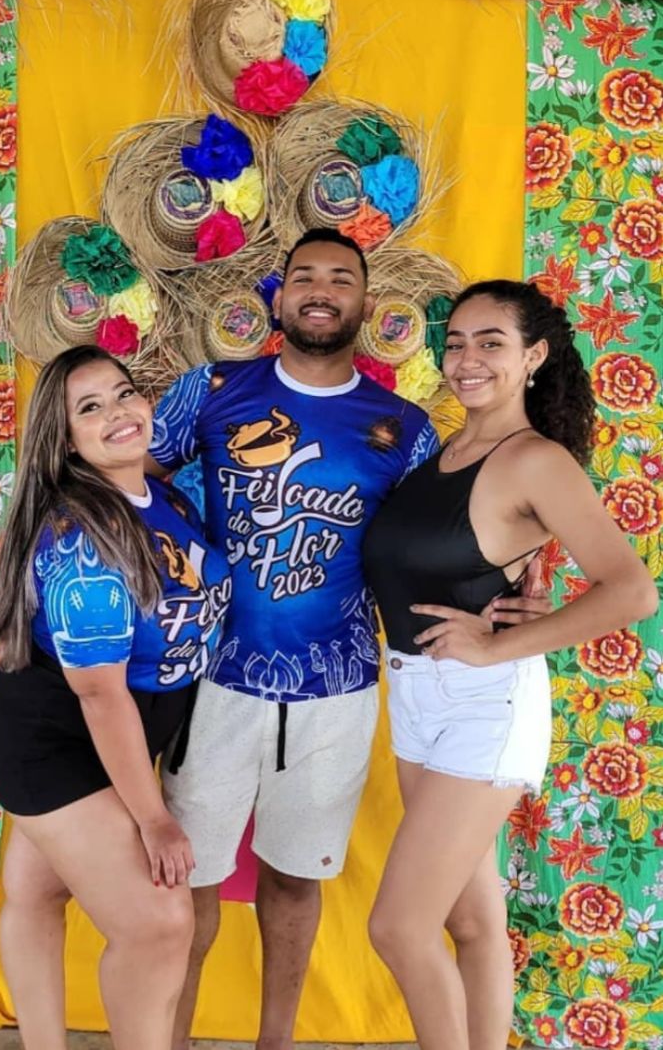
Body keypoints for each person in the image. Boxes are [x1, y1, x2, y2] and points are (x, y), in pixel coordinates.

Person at [146, 230, 544, 1050]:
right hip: (214, 680)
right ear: (279, 296)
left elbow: (444, 538)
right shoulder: (211, 389)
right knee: (188, 887)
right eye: (304, 277)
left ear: (365, 303)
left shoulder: (405, 428)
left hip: (337, 686)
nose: (320, 291)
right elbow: (125, 479)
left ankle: (275, 1042)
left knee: (295, 879)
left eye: (340, 279)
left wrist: (515, 587)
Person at [362, 280, 658, 1050]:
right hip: (416, 697)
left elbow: (631, 590)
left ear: (532, 356)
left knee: (398, 927)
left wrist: (495, 644)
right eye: (455, 342)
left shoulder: (533, 460)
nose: (466, 359)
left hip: (483, 704)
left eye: (490, 342)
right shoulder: (440, 452)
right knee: (469, 919)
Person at [0, 345, 231, 1050]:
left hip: (124, 727)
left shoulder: (165, 496)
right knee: (160, 924)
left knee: (38, 892)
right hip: (58, 735)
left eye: (124, 393)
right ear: (65, 439)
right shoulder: (82, 538)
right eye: (89, 408)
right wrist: (153, 819)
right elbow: (99, 695)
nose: (118, 413)